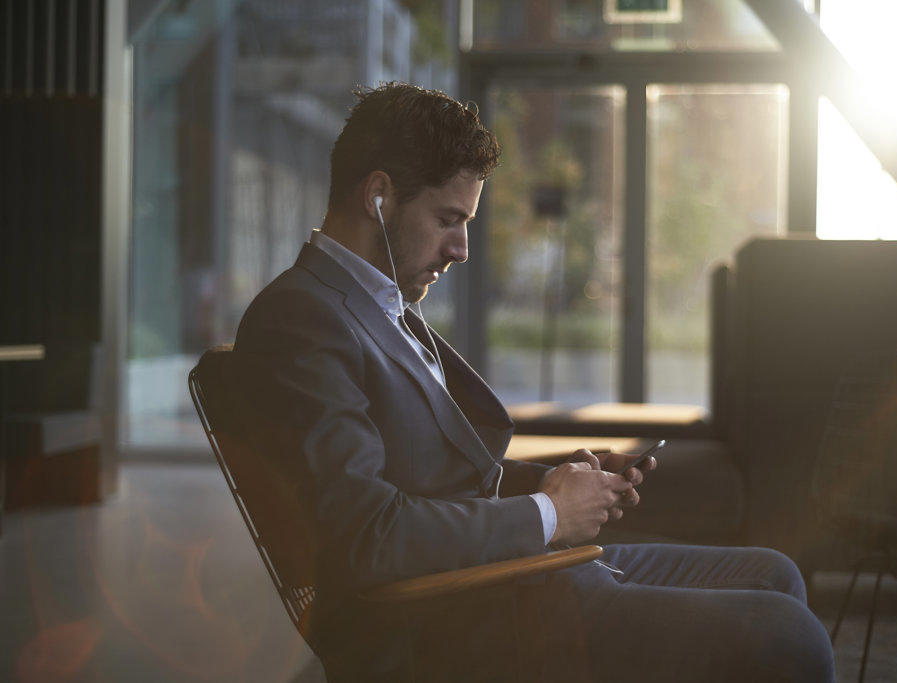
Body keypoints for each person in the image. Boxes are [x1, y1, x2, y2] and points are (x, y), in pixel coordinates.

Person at [229, 82, 835, 682]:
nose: (462, 249)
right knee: (791, 636)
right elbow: (365, 536)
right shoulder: (302, 320)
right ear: (380, 196)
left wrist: (555, 483)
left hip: (510, 578)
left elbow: (440, 481)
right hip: (460, 619)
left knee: (774, 573)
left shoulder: (376, 306)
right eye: (448, 219)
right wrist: (548, 513)